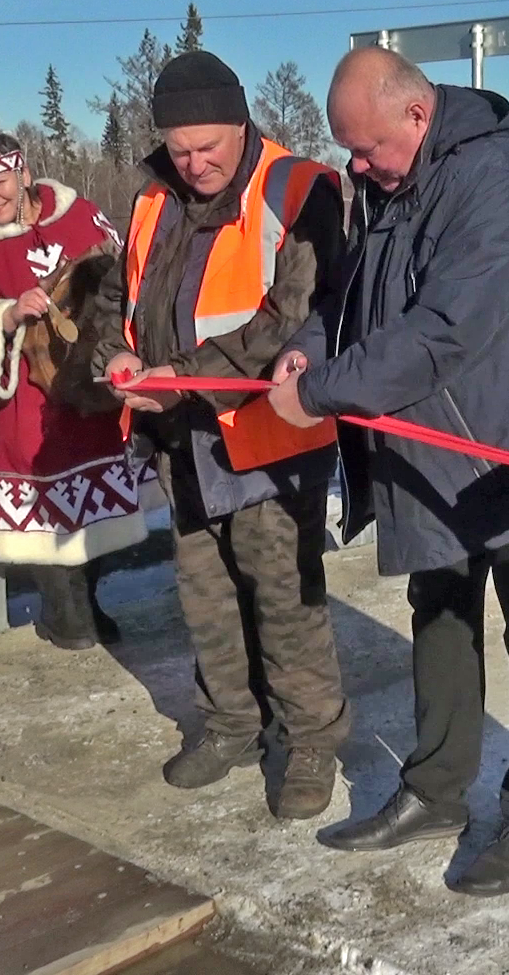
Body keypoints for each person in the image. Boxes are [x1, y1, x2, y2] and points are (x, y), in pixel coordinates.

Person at [266, 46, 509, 897]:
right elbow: (345, 304)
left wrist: (326, 396)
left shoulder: (496, 176)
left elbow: (448, 327)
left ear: (416, 116)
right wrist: (305, 360)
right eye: (347, 146)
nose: (355, 162)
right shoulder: (386, 187)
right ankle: (436, 789)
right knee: (441, 612)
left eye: (367, 145)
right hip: (432, 447)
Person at [86, 50, 352, 821]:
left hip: (268, 432)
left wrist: (178, 374)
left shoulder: (297, 188)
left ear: (242, 124)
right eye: (180, 150)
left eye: (209, 146)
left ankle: (309, 738)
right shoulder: (150, 201)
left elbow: (294, 314)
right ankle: (232, 721)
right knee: (204, 592)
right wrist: (117, 355)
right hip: (179, 434)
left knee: (282, 595)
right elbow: (117, 295)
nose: (196, 163)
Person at [0, 133, 146, 651]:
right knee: (43, 511)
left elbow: (125, 274)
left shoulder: (80, 215)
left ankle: (87, 601)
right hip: (29, 400)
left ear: (23, 173)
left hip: (92, 392)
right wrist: (4, 316)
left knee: (98, 509)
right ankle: (65, 612)